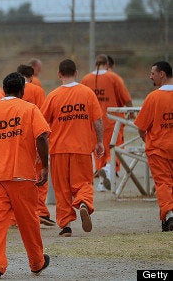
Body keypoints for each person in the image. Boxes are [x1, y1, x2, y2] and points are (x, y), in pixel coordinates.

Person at [0, 72, 51, 279]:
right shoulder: (30, 109)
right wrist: (45, 166)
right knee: (29, 222)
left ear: (4, 89)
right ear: (22, 90)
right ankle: (37, 262)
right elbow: (41, 136)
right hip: (22, 176)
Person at [41, 59, 104, 237]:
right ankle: (83, 203)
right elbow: (98, 120)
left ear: (59, 74)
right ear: (76, 73)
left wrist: (40, 150)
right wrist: (99, 141)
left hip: (59, 149)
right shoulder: (87, 93)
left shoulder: (53, 95)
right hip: (82, 148)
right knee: (83, 183)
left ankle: (66, 226)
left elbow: (42, 125)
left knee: (62, 190)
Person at [80, 54, 132, 191]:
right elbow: (126, 98)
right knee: (114, 148)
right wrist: (131, 112)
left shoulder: (86, 79)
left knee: (98, 151)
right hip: (111, 121)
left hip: (92, 122)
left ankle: (103, 181)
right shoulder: (114, 78)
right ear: (107, 64)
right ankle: (109, 169)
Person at [134, 61, 173, 232]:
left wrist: (146, 138)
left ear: (162, 74)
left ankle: (170, 214)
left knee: (163, 183)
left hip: (159, 149)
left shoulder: (153, 97)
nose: (150, 76)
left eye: (153, 73)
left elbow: (141, 128)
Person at [17, 64, 54, 227]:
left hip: (16, 140)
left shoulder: (11, 90)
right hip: (35, 138)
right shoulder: (37, 90)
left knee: (19, 177)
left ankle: (16, 215)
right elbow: (43, 117)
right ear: (31, 77)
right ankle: (40, 211)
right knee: (40, 177)